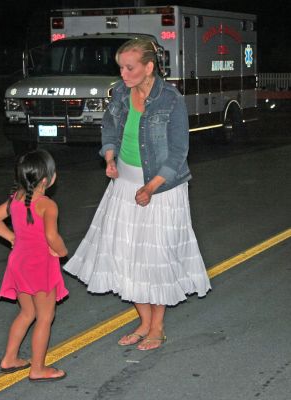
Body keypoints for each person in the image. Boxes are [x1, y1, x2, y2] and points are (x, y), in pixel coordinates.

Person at [63, 39, 211, 351]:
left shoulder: (170, 99)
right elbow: (110, 130)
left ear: (148, 67)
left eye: (129, 67)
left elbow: (179, 153)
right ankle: (143, 322)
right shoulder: (119, 92)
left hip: (161, 189)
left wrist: (151, 187)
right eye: (120, 67)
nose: (123, 73)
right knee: (125, 256)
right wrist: (110, 157)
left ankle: (157, 328)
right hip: (124, 186)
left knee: (155, 258)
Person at [0, 149, 68, 381]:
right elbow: (52, 236)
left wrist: (13, 238)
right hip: (40, 265)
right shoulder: (47, 205)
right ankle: (38, 368)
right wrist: (62, 251)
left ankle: (10, 358)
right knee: (45, 316)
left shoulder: (15, 200)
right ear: (47, 179)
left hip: (19, 263)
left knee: (27, 311)